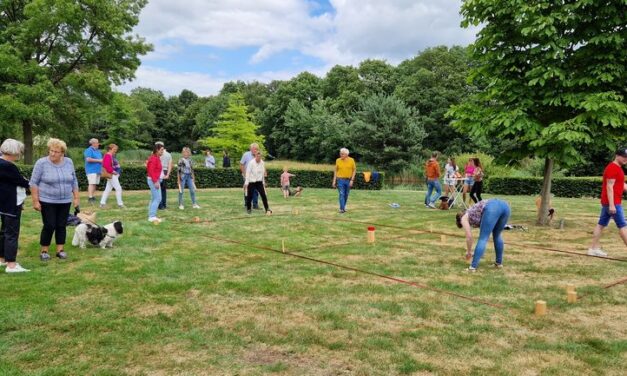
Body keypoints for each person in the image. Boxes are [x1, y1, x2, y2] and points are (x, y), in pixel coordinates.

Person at [30, 138, 80, 261]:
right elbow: (33, 183)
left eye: (56, 152)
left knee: (61, 225)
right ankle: (44, 251)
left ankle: (60, 250)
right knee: (49, 225)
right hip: (47, 200)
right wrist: (35, 201)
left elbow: (74, 181)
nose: (52, 153)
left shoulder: (69, 162)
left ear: (62, 153)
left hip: (65, 200)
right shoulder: (41, 163)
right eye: (51, 151)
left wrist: (76, 197)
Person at [588, 147, 627, 257]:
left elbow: (621, 185)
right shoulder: (612, 168)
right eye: (624, 157)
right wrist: (611, 205)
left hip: (611, 203)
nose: (626, 159)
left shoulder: (618, 168)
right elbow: (609, 187)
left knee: (601, 225)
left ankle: (593, 248)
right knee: (623, 226)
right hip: (613, 203)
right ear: (617, 155)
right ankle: (593, 248)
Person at [0, 139, 31, 272]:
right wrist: (27, 182)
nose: (19, 153)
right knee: (12, 233)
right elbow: (21, 181)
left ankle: (1, 259)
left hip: (3, 203)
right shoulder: (8, 166)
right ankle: (11, 264)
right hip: (10, 204)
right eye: (19, 151)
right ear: (14, 151)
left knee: (4, 232)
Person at [456, 199, 511, 272]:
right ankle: (498, 263)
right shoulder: (473, 212)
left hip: (492, 207)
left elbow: (469, 237)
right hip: (505, 206)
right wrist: (480, 253)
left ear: (459, 220)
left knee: (483, 238)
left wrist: (469, 252)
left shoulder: (463, 218)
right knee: (497, 235)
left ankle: (472, 268)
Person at [332, 148, 356, 213]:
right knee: (341, 194)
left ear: (346, 154)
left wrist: (352, 180)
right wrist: (334, 181)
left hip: (348, 180)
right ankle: (341, 209)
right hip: (340, 180)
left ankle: (343, 207)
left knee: (346, 194)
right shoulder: (338, 160)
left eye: (342, 154)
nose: (340, 155)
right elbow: (335, 171)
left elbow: (354, 170)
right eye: (340, 153)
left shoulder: (351, 160)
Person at [99, 144, 124, 208]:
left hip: (113, 175)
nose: (115, 151)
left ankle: (102, 203)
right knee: (118, 188)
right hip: (112, 175)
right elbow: (107, 166)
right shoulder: (108, 155)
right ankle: (120, 204)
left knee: (107, 189)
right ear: (110, 149)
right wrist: (113, 171)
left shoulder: (110, 155)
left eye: (116, 149)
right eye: (114, 149)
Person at [146, 144, 164, 223]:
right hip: (154, 181)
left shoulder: (156, 158)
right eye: (161, 150)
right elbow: (151, 170)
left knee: (154, 198)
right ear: (157, 150)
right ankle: (152, 216)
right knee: (158, 198)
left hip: (155, 180)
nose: (162, 151)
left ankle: (151, 214)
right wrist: (155, 181)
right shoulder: (153, 158)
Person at [83, 138, 103, 204]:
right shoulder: (89, 150)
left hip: (97, 170)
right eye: (97, 143)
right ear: (93, 143)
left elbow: (101, 159)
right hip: (91, 170)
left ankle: (93, 196)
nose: (98, 144)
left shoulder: (98, 151)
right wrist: (99, 160)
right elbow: (88, 159)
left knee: (95, 183)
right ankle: (90, 197)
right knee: (91, 183)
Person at [240, 143, 260, 209]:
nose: (256, 150)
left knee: (256, 190)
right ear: (251, 149)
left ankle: (255, 205)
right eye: (255, 149)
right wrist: (244, 174)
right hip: (247, 176)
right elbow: (241, 164)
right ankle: (247, 204)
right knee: (247, 190)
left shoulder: (258, 155)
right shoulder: (246, 155)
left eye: (257, 149)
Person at [155, 141, 172, 210]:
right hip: (165, 171)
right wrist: (168, 174)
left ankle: (160, 205)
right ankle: (164, 204)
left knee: (158, 190)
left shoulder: (156, 153)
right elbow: (170, 165)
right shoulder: (168, 154)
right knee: (163, 190)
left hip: (158, 172)